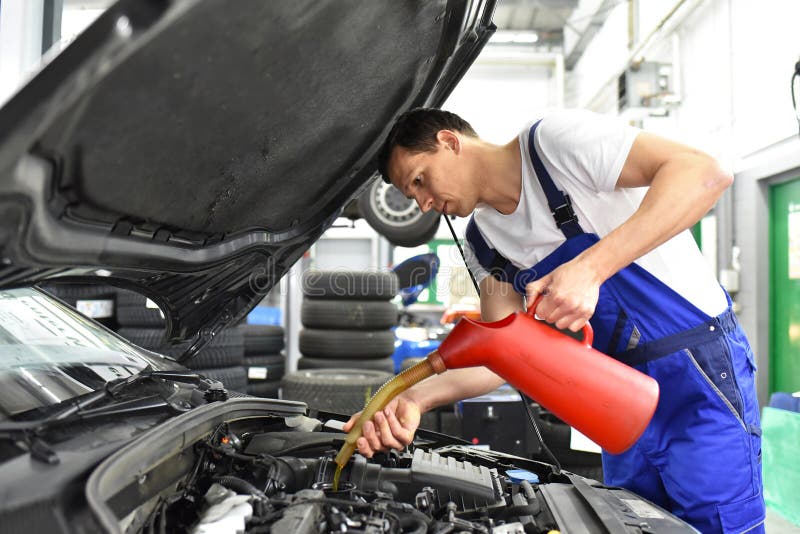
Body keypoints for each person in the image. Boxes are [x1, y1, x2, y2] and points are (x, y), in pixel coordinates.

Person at [343, 107, 765, 533]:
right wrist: (413, 399)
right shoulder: (484, 243)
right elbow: (499, 358)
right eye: (413, 196)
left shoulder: (553, 145)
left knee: (719, 525)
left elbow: (704, 173)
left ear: (450, 143)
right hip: (616, 396)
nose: (424, 204)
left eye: (420, 180)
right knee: (632, 525)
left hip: (696, 375)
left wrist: (591, 268)